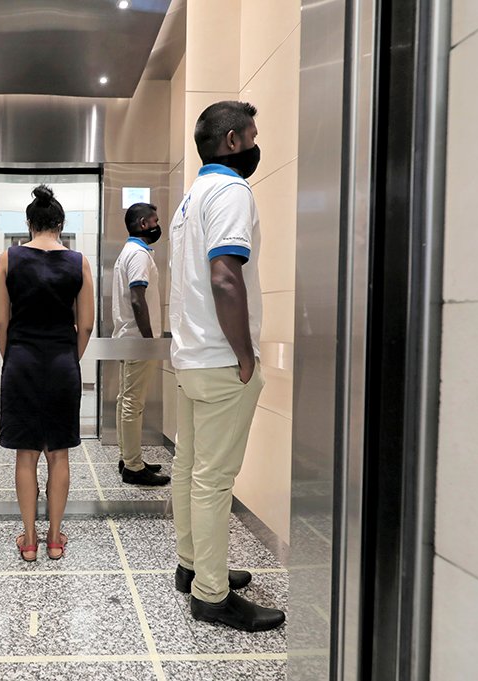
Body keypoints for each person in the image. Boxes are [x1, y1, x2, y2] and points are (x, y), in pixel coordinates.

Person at [167, 101, 285, 631]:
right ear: (234, 140)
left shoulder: (190, 198)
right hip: (220, 360)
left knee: (190, 471)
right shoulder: (233, 191)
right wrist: (244, 354)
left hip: (190, 358)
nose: (258, 144)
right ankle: (211, 597)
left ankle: (193, 567)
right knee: (214, 480)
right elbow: (224, 277)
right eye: (254, 134)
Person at [0, 185, 94, 562]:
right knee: (59, 454)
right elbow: (85, 325)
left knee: (26, 454)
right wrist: (71, 356)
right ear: (60, 224)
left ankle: (30, 540)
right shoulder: (78, 262)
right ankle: (55, 539)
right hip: (62, 363)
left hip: (20, 361)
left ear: (29, 223)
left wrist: (12, 357)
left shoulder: (8, 258)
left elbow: (0, 321)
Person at [112, 202, 171, 487]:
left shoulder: (131, 251)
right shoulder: (137, 254)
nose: (158, 224)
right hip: (138, 340)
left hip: (129, 339)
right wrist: (149, 341)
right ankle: (133, 467)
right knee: (133, 403)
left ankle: (128, 457)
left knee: (127, 400)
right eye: (155, 220)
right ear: (143, 224)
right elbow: (138, 299)